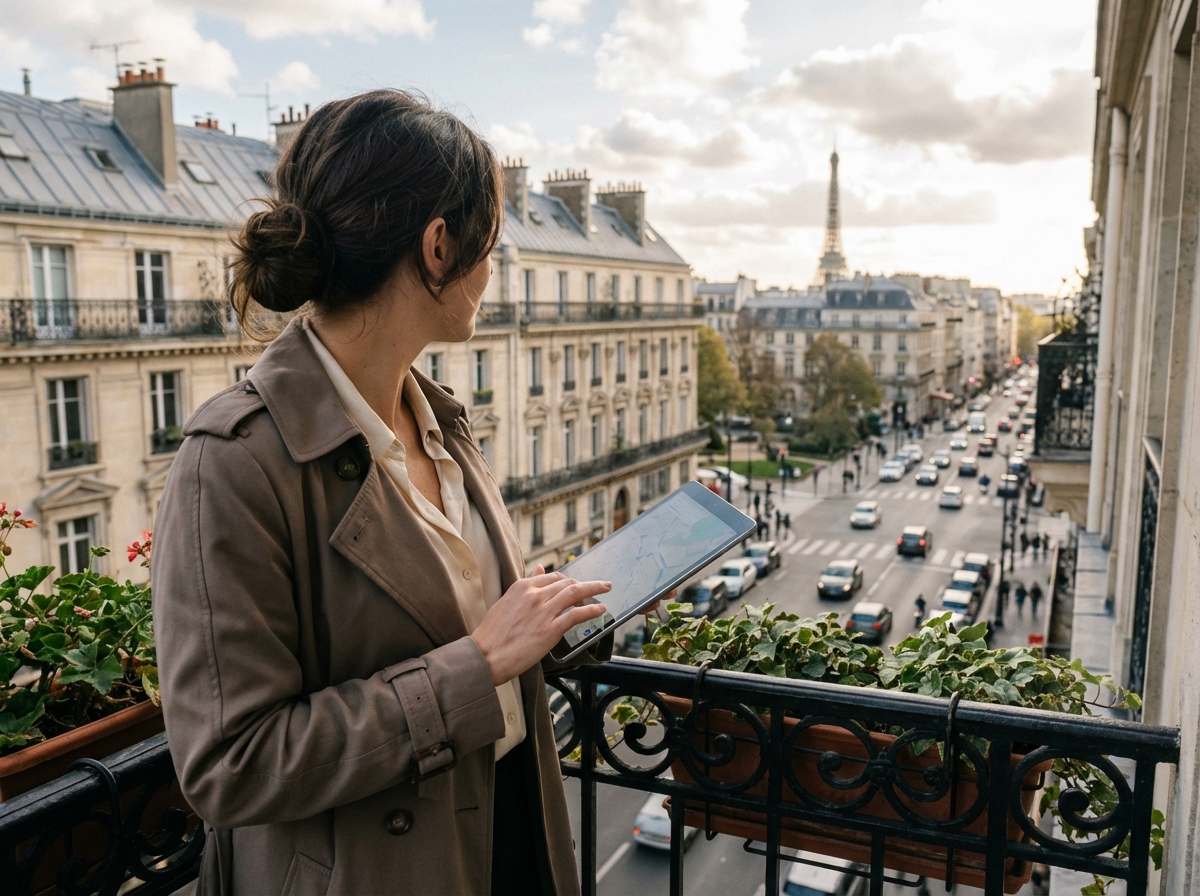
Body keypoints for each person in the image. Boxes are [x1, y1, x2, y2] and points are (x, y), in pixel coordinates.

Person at [151, 91, 620, 896]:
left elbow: (465, 629)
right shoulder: (231, 462)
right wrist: (478, 664)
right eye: (490, 246)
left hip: (505, 829)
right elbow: (231, 764)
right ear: (438, 247)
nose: (492, 269)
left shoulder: (439, 416)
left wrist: (547, 623)